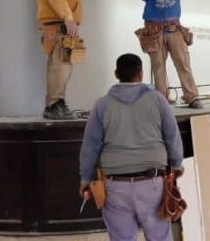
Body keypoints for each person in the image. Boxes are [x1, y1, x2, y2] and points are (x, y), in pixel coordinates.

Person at [79, 53, 184, 241]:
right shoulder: (158, 100)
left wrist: (86, 178)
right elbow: (172, 136)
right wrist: (176, 165)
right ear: (141, 74)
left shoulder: (102, 105)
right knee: (160, 237)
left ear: (116, 73)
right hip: (152, 184)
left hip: (115, 187)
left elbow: (90, 145)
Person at [137, 0, 202, 109]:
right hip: (154, 30)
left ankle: (192, 96)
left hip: (174, 29)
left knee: (183, 63)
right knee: (158, 67)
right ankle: (161, 100)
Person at [36, 0, 82, 120]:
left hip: (62, 26)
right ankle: (53, 104)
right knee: (60, 66)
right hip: (59, 26)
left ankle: (58, 102)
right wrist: (68, 17)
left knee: (64, 66)